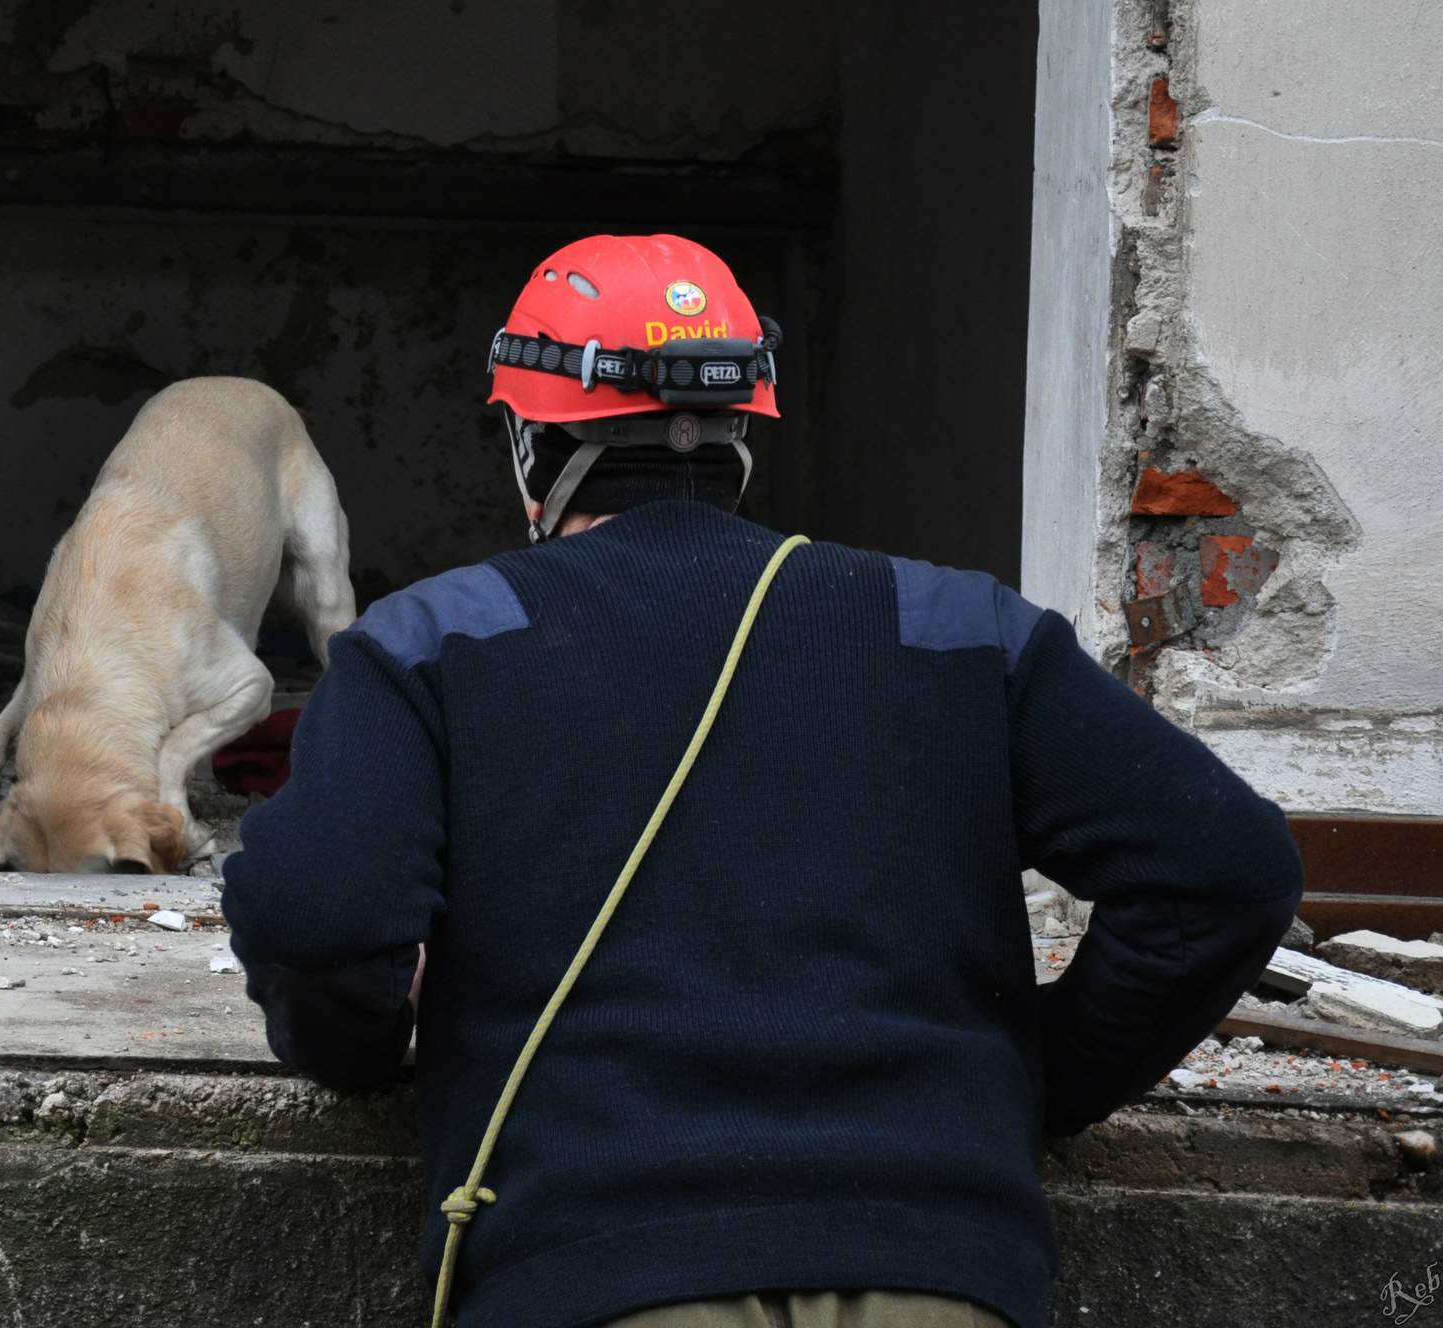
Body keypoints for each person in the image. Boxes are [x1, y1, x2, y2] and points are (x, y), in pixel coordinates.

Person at [219, 234, 1303, 1328]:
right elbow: (1224, 868)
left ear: (527, 441)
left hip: (593, 1272)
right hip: (942, 1266)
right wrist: (1031, 1087)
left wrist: (356, 1055)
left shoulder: (430, 641)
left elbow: (318, 912)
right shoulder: (960, 629)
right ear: (742, 429)